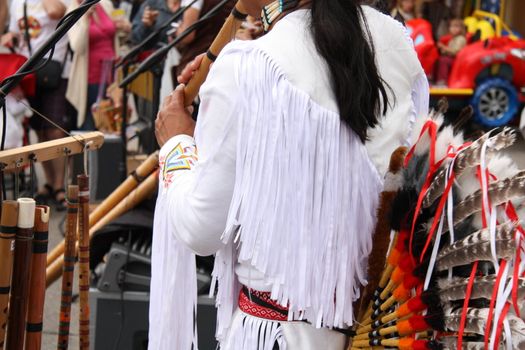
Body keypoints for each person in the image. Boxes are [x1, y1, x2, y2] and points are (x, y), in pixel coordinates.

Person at [151, 0, 428, 349]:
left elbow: (200, 227)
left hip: (278, 335)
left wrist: (177, 142)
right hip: (381, 332)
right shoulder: (398, 41)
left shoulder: (247, 66)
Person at [1, 0, 71, 208]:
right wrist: (9, 37)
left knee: (55, 130)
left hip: (55, 68)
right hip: (29, 70)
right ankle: (49, 184)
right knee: (39, 131)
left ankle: (60, 185)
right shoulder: (17, 2)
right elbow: (14, 31)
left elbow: (55, 12)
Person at [66, 0, 131, 130]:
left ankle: (111, 150)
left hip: (112, 75)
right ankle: (92, 151)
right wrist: (85, 18)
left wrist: (125, 28)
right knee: (91, 123)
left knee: (114, 121)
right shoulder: (72, 11)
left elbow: (117, 35)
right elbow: (77, 47)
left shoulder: (105, 4)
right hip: (90, 78)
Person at [131, 0, 202, 49]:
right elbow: (136, 38)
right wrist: (146, 26)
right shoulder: (152, 3)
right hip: (152, 64)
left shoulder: (194, 6)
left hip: (180, 63)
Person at [434, 18, 466, 86]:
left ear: (462, 29)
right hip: (452, 58)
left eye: (456, 27)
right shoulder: (452, 39)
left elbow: (455, 52)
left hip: (457, 60)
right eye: (452, 26)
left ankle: (442, 81)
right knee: (437, 59)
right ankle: (435, 79)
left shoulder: (461, 39)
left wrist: (443, 47)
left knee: (444, 60)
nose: (453, 29)